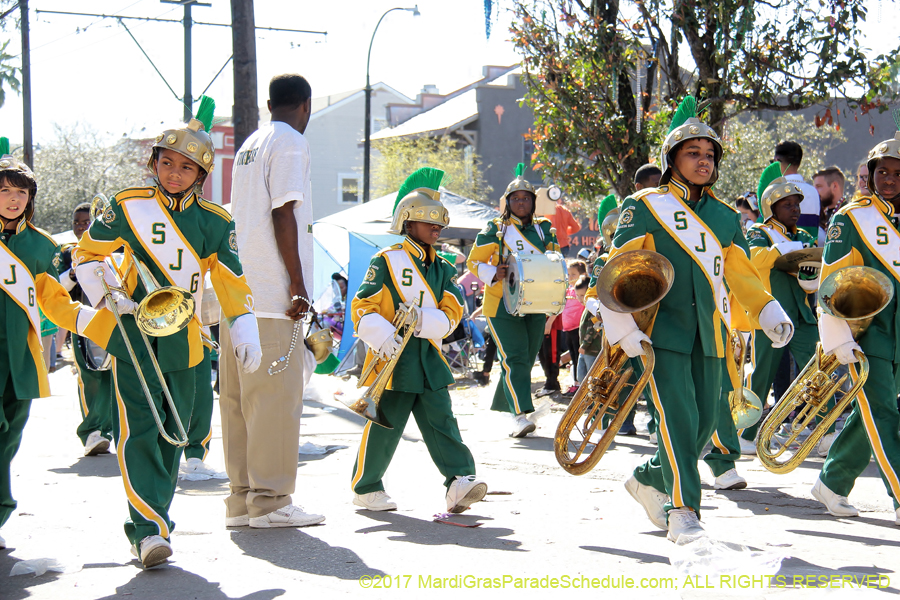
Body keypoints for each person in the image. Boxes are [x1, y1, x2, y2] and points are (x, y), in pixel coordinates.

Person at [74, 97, 263, 568]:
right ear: (153, 163)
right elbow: (86, 255)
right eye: (166, 163)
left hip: (187, 338)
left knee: (172, 436)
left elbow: (233, 282)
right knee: (140, 431)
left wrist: (244, 327)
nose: (174, 173)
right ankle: (148, 531)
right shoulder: (126, 205)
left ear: (201, 175)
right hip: (134, 334)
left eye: (186, 167)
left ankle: (156, 518)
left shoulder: (216, 222)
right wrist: (107, 295)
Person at [593, 97, 793, 542]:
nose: (703, 162)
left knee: (704, 426)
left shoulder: (724, 216)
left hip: (713, 334)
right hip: (660, 331)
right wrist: (619, 325)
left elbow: (739, 272)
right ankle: (682, 510)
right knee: (679, 421)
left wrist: (766, 309)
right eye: (693, 153)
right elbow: (617, 266)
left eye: (709, 155)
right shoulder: (645, 205)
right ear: (671, 161)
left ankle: (647, 476)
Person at [350, 167, 487, 513]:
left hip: (428, 359)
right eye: (428, 221)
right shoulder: (386, 260)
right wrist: (382, 336)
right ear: (407, 222)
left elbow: (453, 311)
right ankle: (366, 488)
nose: (436, 229)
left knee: (443, 422)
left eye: (439, 223)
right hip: (392, 360)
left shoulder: (444, 268)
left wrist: (423, 320)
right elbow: (362, 306)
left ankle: (459, 481)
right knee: (384, 428)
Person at [222, 75, 324, 531]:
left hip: (239, 295)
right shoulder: (290, 142)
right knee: (277, 402)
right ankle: (272, 501)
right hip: (272, 296)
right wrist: (298, 285)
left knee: (240, 403)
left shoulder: (251, 142)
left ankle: (242, 501)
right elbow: (283, 211)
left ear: (268, 104)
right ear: (306, 105)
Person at [0, 139, 97, 552]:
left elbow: (56, 302)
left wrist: (93, 320)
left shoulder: (43, 247)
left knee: (9, 438)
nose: (13, 199)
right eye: (4, 190)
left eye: (20, 192)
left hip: (19, 357)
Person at [811, 123, 900, 527]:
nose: (890, 180)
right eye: (883, 172)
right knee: (883, 414)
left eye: (899, 173)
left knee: (874, 413)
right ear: (871, 173)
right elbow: (831, 281)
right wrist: (837, 338)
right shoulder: (852, 219)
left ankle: (832, 481)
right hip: (869, 335)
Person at [734, 163, 824, 455]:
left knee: (818, 371)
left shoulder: (805, 237)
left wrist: (810, 276)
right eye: (787, 205)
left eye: (797, 204)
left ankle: (825, 432)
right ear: (772, 207)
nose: (795, 209)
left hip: (802, 315)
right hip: (769, 315)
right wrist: (787, 250)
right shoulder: (758, 232)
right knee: (761, 376)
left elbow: (811, 276)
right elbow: (755, 259)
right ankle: (746, 435)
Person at [467, 164, 561, 437]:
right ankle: (519, 415)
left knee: (524, 359)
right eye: (515, 198)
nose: (521, 202)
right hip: (501, 304)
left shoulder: (545, 229)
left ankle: (511, 405)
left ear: (533, 202)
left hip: (536, 303)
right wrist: (491, 272)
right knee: (515, 357)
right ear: (508, 203)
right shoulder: (496, 229)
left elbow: (554, 262)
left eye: (526, 198)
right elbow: (474, 261)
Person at [59, 202, 114, 456]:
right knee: (89, 377)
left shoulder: (112, 250)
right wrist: (72, 273)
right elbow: (59, 289)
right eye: (77, 223)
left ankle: (109, 430)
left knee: (113, 379)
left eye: (86, 222)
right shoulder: (68, 253)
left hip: (113, 322)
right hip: (84, 322)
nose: (81, 227)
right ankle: (92, 432)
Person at [773, 141, 820, 239]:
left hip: (782, 252)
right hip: (809, 250)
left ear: (777, 161)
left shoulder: (774, 190)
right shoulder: (813, 192)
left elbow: (764, 230)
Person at [813, 166, 846, 246]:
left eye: (819, 186)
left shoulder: (848, 214)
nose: (814, 191)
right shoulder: (820, 214)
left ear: (834, 186)